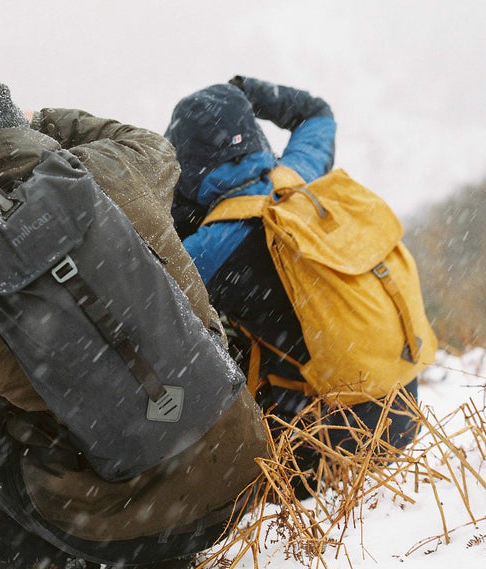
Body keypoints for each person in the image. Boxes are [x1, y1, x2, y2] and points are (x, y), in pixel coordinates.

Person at [0, 80, 268, 569]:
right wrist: (47, 122)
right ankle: (168, 521)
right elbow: (153, 145)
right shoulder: (111, 169)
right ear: (24, 128)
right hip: (243, 463)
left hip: (120, 523)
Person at [163, 76, 422, 478]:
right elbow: (316, 114)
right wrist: (249, 93)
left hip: (328, 451)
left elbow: (144, 293)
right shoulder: (298, 176)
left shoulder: (207, 251)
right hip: (403, 412)